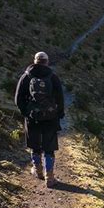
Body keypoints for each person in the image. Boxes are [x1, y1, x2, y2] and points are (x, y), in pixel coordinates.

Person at [14, 51, 65, 187]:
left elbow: (18, 98)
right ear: (46, 61)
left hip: (33, 117)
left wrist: (26, 112)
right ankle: (50, 176)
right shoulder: (53, 77)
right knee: (49, 147)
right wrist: (59, 114)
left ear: (35, 61)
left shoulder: (26, 76)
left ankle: (37, 170)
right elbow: (60, 97)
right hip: (50, 117)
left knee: (34, 144)